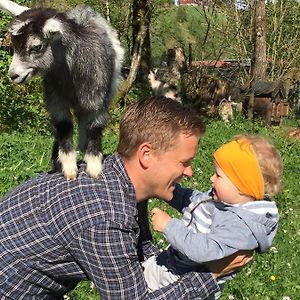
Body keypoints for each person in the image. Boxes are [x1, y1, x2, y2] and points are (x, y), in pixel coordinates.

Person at [0, 96, 251, 299]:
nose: (190, 172)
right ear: (147, 155)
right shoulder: (104, 215)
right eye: (184, 163)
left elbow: (140, 251)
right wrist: (210, 275)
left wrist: (184, 259)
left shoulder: (118, 180)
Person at [143, 134, 283, 298]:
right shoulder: (226, 199)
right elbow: (193, 200)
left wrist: (169, 226)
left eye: (218, 175)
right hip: (173, 263)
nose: (211, 178)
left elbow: (203, 250)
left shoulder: (240, 226)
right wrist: (166, 190)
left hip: (186, 281)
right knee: (136, 284)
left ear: (242, 185)